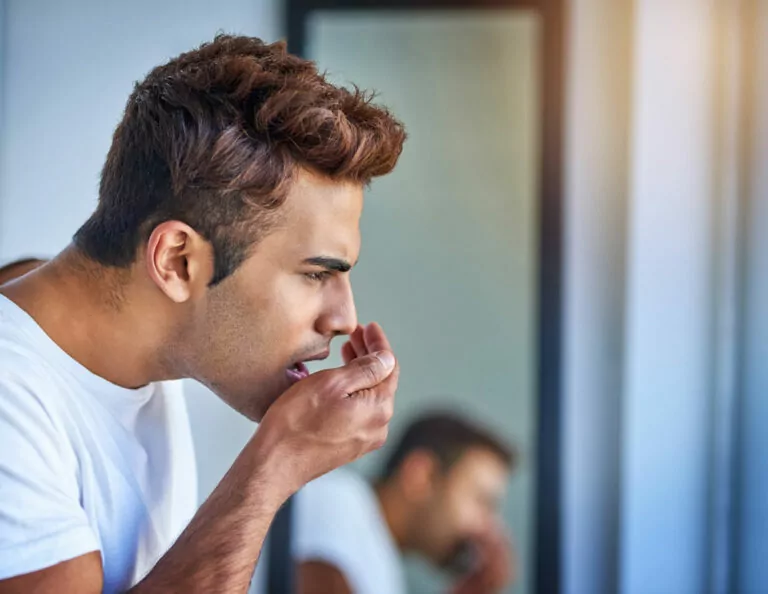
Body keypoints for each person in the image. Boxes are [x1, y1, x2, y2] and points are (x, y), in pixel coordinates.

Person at [0, 35, 406, 594]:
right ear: (177, 260)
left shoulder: (132, 344)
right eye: (316, 274)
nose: (343, 318)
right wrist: (274, 466)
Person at [284, 412, 517, 594]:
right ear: (420, 475)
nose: (487, 527)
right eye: (481, 501)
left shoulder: (380, 557)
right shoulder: (339, 504)